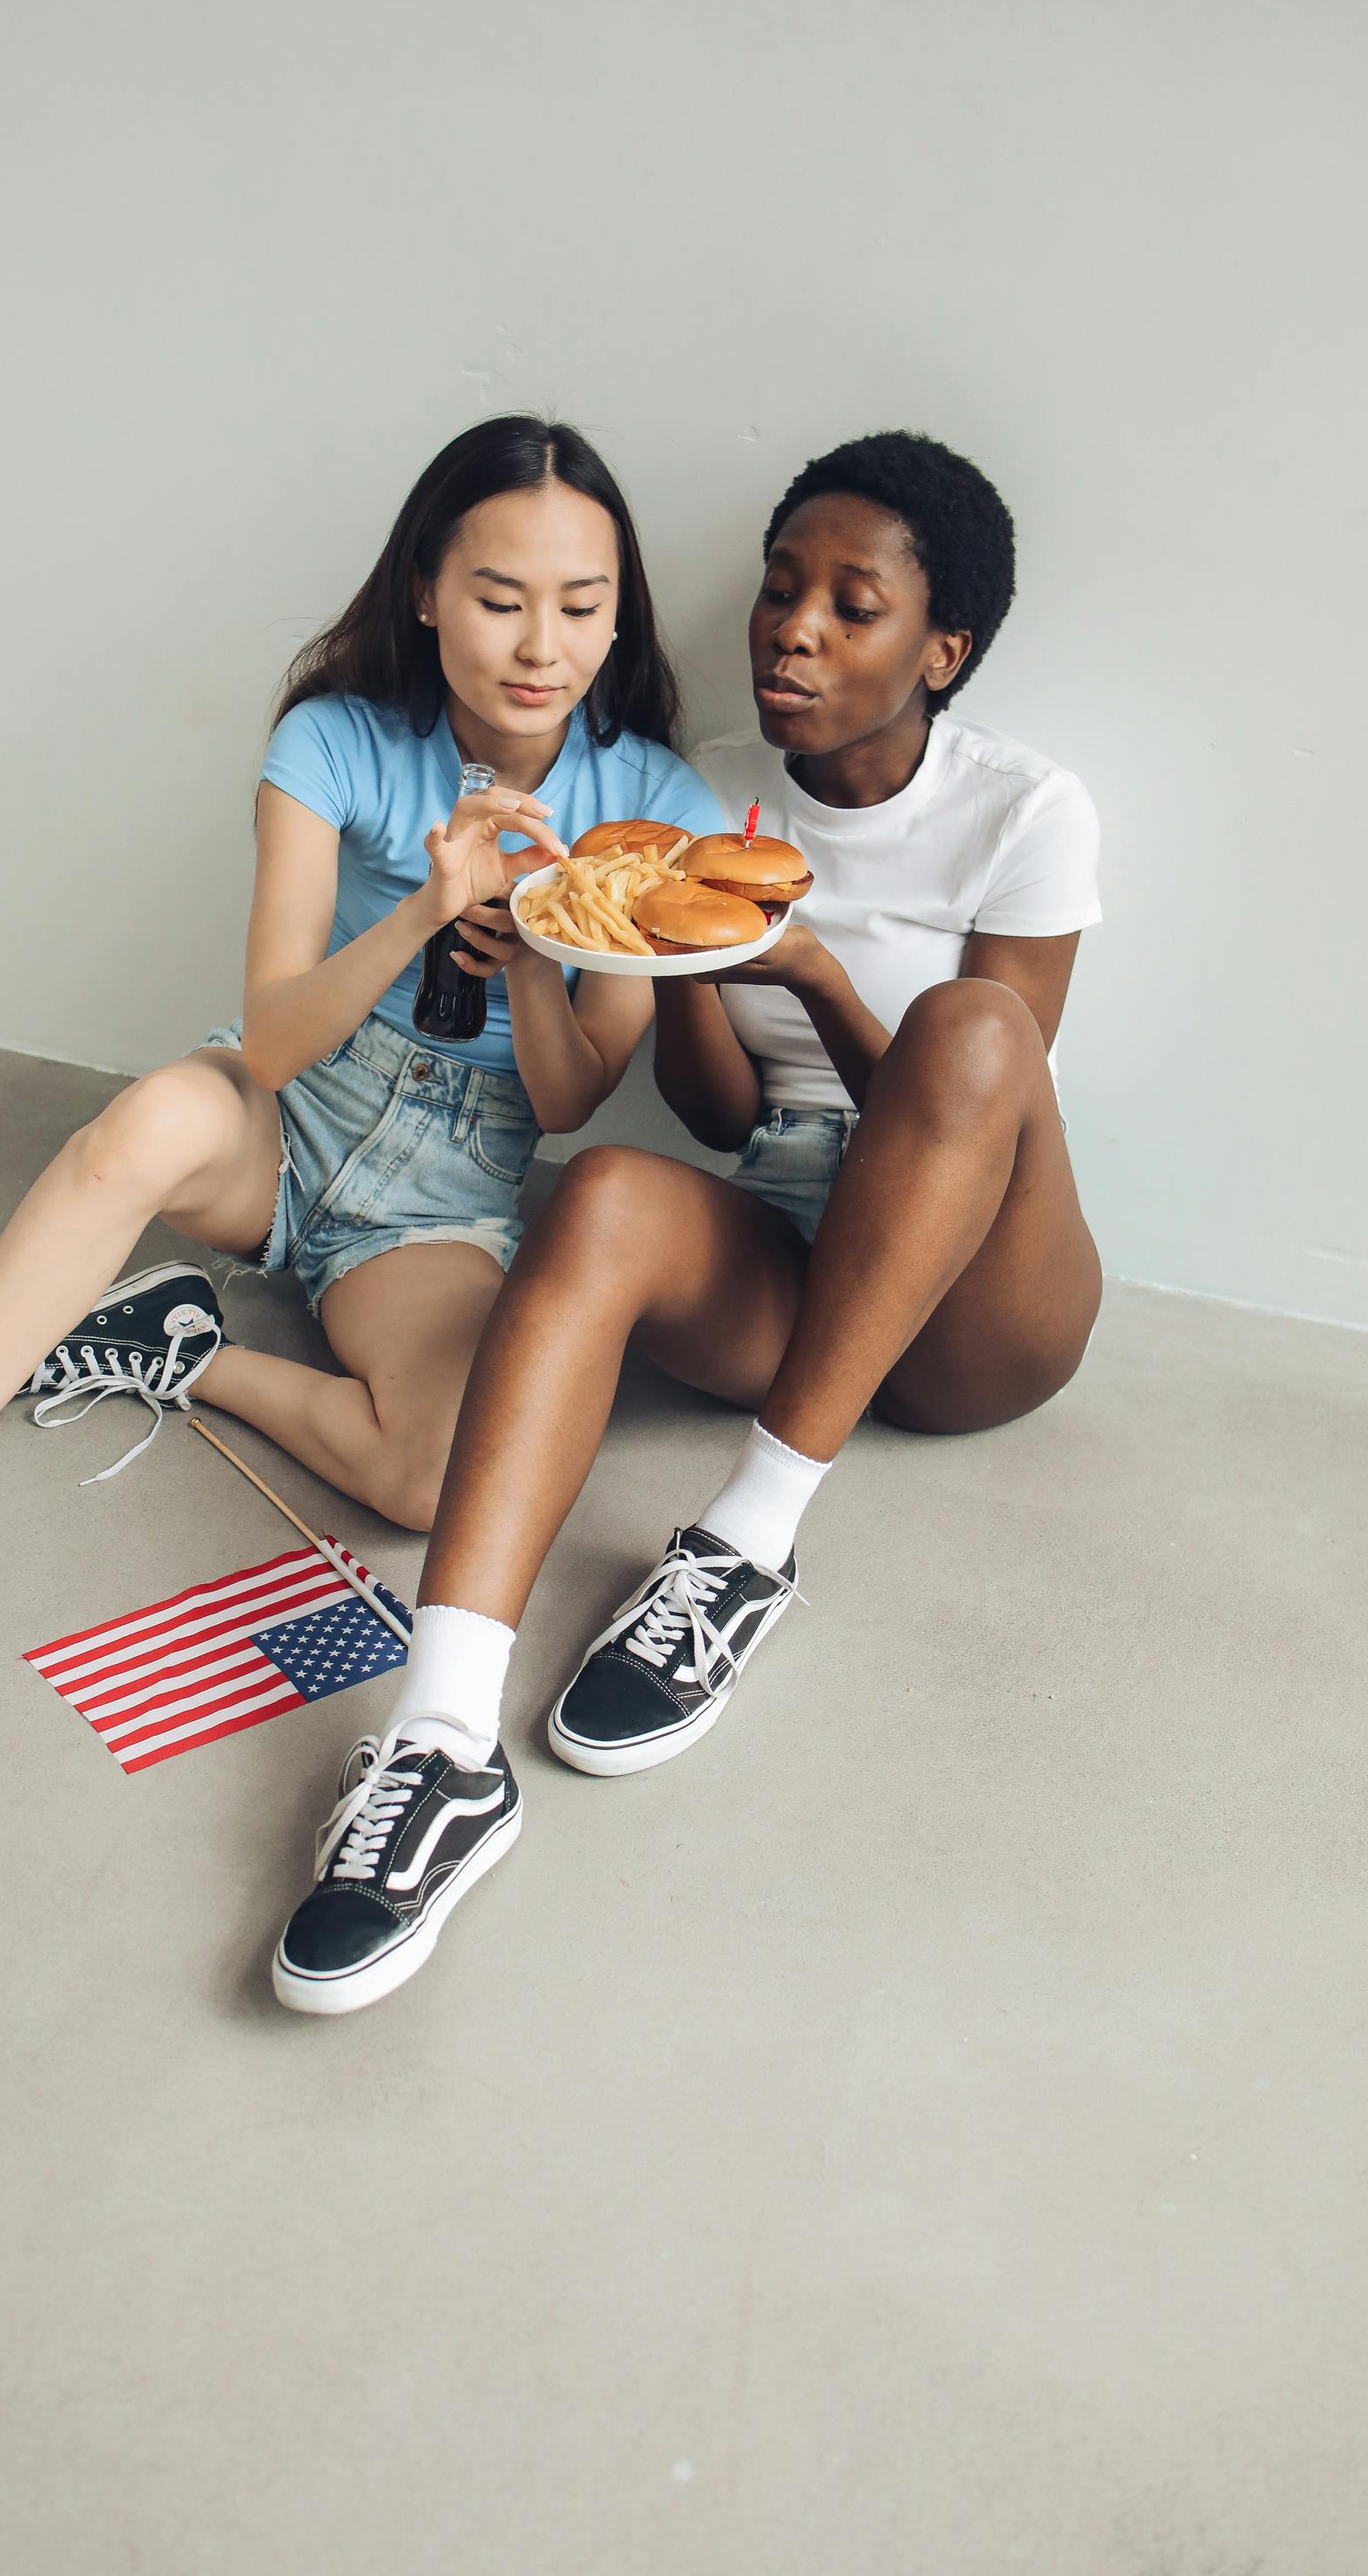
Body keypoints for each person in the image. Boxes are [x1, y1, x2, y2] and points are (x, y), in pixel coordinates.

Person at [270, 432, 1104, 2016]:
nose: (792, 627)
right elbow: (720, 1123)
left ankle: (741, 1547)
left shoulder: (1024, 812)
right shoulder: (695, 797)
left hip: (981, 1298)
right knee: (603, 1192)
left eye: (850, 608)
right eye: (783, 590)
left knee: (973, 1029)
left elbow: (978, 1109)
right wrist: (675, 965)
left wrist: (818, 979)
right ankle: (446, 1745)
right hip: (792, 1255)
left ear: (945, 650)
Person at [0, 415, 720, 1622]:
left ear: (621, 610)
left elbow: (571, 1100)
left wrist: (523, 958)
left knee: (431, 1480)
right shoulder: (332, 739)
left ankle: (185, 1355)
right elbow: (269, 1042)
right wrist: (421, 915)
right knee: (151, 1121)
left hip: (448, 1192)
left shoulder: (652, 806)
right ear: (424, 593)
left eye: (581, 605)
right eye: (500, 599)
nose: (542, 647)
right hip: (291, 1113)